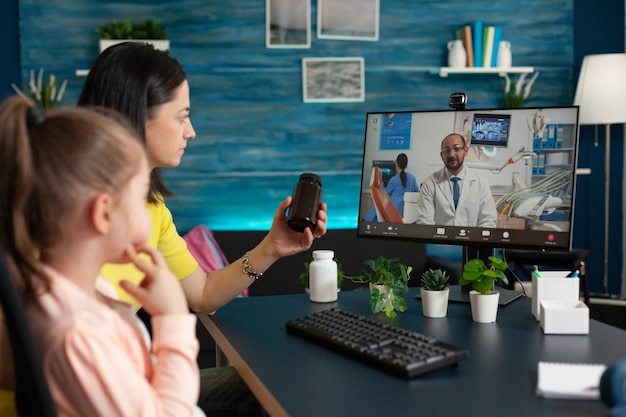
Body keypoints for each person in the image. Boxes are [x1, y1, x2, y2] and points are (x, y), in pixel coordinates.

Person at [77, 41, 328, 416]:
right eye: (182, 116)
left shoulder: (152, 208)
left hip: (132, 390)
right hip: (83, 400)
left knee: (265, 385)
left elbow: (203, 294)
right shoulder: (64, 209)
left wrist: (272, 247)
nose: (190, 131)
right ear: (137, 116)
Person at [0, 96, 203, 416]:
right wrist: (173, 318)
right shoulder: (78, 334)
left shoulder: (83, 294)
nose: (148, 209)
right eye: (140, 198)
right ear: (104, 213)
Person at [414, 133, 497, 227]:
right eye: (447, 150)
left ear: (465, 151)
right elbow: (425, 222)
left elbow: (487, 220)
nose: (451, 154)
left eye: (456, 149)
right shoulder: (430, 184)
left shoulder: (480, 183)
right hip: (439, 240)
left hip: (471, 240)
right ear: (441, 156)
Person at [363, 153, 420, 221]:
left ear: (396, 164)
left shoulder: (394, 180)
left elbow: (384, 195)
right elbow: (417, 193)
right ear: (406, 165)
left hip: (394, 211)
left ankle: (366, 220)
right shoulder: (412, 178)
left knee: (377, 207)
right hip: (407, 212)